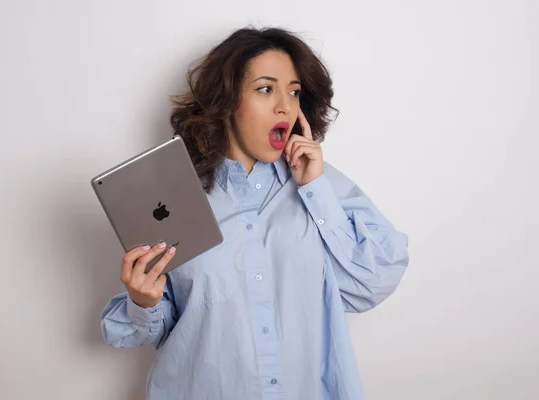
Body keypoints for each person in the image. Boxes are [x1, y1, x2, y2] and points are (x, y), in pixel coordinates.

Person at [101, 26, 409, 400]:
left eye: (293, 92)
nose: (285, 105)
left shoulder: (321, 183)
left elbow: (373, 284)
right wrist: (143, 301)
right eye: (266, 89)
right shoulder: (174, 198)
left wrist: (315, 191)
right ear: (227, 101)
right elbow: (143, 330)